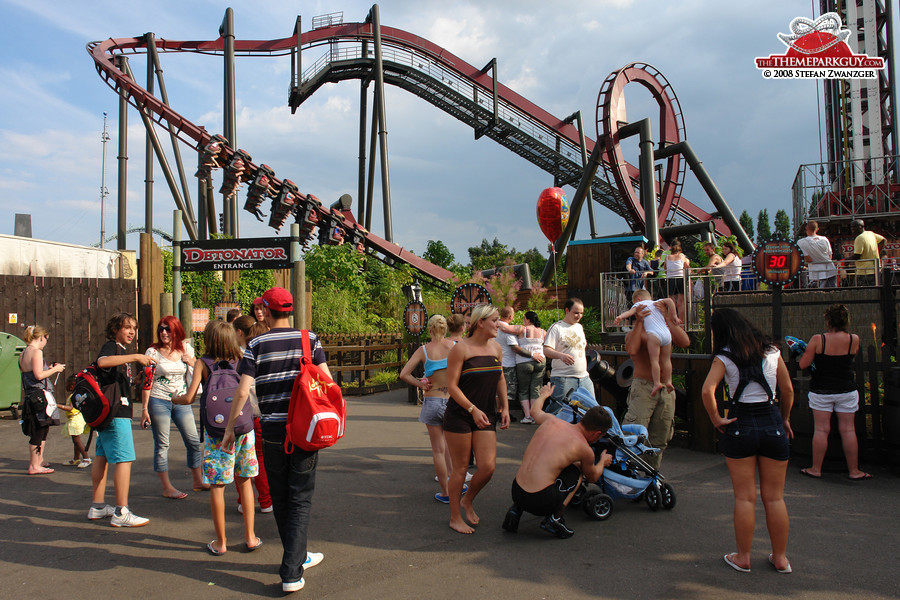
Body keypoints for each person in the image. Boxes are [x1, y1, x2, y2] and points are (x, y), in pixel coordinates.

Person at [222, 287, 328, 593]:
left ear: (266, 311)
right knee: (301, 498)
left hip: (271, 432)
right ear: (290, 310)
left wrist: (230, 429)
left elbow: (243, 391)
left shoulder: (255, 344)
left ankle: (296, 558)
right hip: (304, 430)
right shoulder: (310, 339)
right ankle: (292, 568)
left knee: (281, 497)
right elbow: (328, 381)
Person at [701, 308, 794, 574]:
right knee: (775, 498)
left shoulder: (725, 356)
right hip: (772, 422)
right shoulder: (772, 350)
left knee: (745, 497)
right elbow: (787, 390)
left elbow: (708, 389)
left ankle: (743, 557)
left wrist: (716, 418)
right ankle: (780, 558)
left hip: (741, 424)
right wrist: (784, 419)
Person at [173, 320, 261, 556]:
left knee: (217, 486)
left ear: (210, 340)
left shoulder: (203, 363)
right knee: (245, 482)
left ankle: (221, 542)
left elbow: (190, 397)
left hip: (216, 433)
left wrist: (175, 398)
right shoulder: (242, 360)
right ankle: (250, 537)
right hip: (244, 428)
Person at [501, 382, 612, 538]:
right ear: (597, 433)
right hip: (539, 500)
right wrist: (602, 461)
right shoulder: (584, 449)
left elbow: (534, 411)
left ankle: (515, 511)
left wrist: (544, 395)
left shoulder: (551, 420)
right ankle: (554, 519)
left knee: (555, 465)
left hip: (517, 491)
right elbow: (593, 476)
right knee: (577, 473)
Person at [444, 304, 510, 534]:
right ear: (480, 323)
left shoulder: (496, 349)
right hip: (461, 415)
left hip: (486, 414)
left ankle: (467, 500)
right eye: (494, 320)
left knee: (488, 467)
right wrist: (472, 408)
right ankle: (455, 517)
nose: (498, 325)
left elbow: (500, 378)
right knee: (460, 469)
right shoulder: (460, 349)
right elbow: (451, 386)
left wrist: (506, 406)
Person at [87, 313, 155, 527]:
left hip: (109, 413)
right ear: (115, 329)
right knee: (124, 459)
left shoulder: (121, 352)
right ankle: (121, 511)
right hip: (117, 412)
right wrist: (136, 357)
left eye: (133, 328)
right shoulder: (112, 347)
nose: (131, 331)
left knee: (102, 456)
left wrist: (134, 380)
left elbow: (113, 378)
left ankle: (97, 507)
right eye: (127, 327)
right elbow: (102, 362)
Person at [798, 305, 871, 480]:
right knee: (848, 430)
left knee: (822, 430)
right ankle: (854, 471)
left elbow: (803, 364)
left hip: (822, 390)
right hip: (846, 389)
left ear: (828, 321)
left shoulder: (818, 340)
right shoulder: (854, 339)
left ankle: (816, 468)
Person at [622, 297, 690, 470]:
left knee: (661, 435)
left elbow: (685, 342)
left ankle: (651, 473)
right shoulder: (635, 332)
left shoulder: (663, 330)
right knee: (634, 432)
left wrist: (668, 317)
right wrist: (639, 323)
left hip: (666, 389)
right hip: (643, 388)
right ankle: (630, 473)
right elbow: (632, 350)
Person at [141, 316, 204, 499]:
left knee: (192, 440)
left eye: (168, 329)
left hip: (181, 400)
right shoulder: (152, 352)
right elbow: (147, 381)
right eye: (161, 329)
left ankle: (197, 480)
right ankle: (167, 487)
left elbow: (199, 369)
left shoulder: (185, 348)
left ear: (176, 331)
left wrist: (191, 362)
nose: (164, 333)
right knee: (162, 444)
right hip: (158, 399)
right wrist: (144, 408)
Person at [400, 314, 458, 502]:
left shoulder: (423, 350)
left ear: (430, 330)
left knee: (438, 451)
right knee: (452, 446)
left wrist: (421, 384)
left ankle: (445, 491)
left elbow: (404, 374)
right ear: (445, 329)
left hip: (432, 400)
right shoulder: (454, 347)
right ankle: (456, 486)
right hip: (451, 400)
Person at [231, 315, 273, 514]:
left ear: (240, 333)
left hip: (243, 414)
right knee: (261, 459)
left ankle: (242, 500)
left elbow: (240, 390)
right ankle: (266, 501)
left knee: (241, 459)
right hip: (262, 413)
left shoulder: (238, 355)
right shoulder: (265, 351)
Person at [615, 290, 680, 397]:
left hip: (654, 334)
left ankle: (656, 383)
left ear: (638, 299)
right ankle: (668, 381)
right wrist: (674, 316)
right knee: (666, 360)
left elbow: (629, 313)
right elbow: (670, 301)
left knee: (654, 360)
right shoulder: (657, 302)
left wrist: (621, 317)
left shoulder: (639, 304)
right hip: (666, 333)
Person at [19, 325, 65, 475]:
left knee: (41, 428)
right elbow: (39, 375)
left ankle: (39, 460)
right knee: (39, 430)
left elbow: (32, 374)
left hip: (30, 395)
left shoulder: (23, 353)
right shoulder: (37, 352)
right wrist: (55, 370)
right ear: (41, 337)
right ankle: (34, 465)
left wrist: (49, 367)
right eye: (46, 339)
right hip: (40, 396)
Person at [543, 298, 590, 413]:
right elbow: (546, 350)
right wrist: (561, 356)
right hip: (563, 378)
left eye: (581, 313)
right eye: (576, 312)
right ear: (567, 310)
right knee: (559, 409)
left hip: (583, 377)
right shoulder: (557, 328)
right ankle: (549, 429)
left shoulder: (579, 327)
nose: (579, 316)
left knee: (590, 408)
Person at [511, 311, 546, 424]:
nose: (523, 321)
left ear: (528, 320)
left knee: (523, 390)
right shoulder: (543, 332)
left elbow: (506, 328)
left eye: (524, 319)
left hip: (524, 363)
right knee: (536, 388)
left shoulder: (522, 330)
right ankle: (535, 415)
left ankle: (527, 416)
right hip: (540, 361)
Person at [59, 374, 91, 468]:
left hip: (75, 419)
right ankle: (76, 458)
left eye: (67, 384)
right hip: (76, 418)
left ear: (72, 385)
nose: (65, 386)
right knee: (75, 440)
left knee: (77, 440)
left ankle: (86, 458)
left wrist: (57, 405)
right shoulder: (77, 394)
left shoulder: (74, 395)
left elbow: (70, 408)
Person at [495, 307, 520, 418]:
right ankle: (505, 411)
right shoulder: (508, 330)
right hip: (508, 363)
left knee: (497, 389)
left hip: (496, 362)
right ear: (511, 317)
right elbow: (514, 347)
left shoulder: (495, 327)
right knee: (508, 389)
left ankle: (498, 411)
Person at [797, 221, 837, 288]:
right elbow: (830, 256)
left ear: (806, 228)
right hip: (830, 270)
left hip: (816, 273)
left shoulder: (801, 242)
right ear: (817, 229)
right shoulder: (824, 239)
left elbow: (808, 259)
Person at [851, 219, 885, 286]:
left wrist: (846, 260)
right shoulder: (870, 233)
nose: (852, 229)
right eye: (851, 227)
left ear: (860, 227)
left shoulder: (859, 238)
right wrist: (877, 252)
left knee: (862, 292)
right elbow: (883, 240)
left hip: (864, 272)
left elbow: (857, 255)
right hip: (876, 270)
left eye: (854, 227)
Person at [665, 240, 691, 323]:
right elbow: (686, 267)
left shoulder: (667, 257)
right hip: (680, 278)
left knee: (671, 302)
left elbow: (665, 269)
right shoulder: (682, 256)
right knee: (680, 303)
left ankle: (672, 322)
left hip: (670, 279)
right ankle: (682, 323)